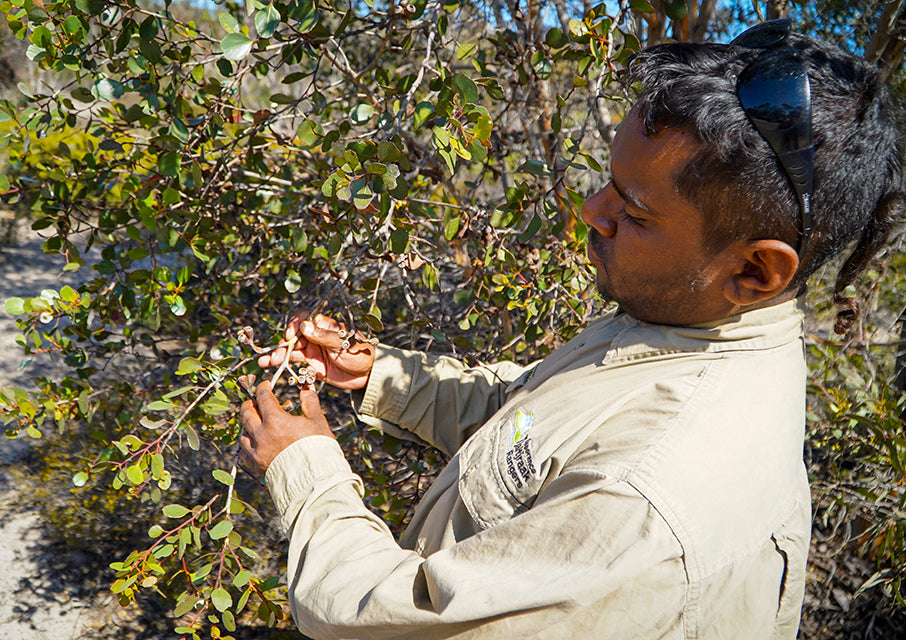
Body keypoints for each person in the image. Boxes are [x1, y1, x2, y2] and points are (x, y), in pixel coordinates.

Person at [239, 20, 903, 640]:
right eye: (608, 183)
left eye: (635, 212)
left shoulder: (645, 503)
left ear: (756, 270)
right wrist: (377, 372)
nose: (592, 210)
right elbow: (528, 431)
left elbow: (397, 619)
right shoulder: (680, 325)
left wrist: (309, 471)